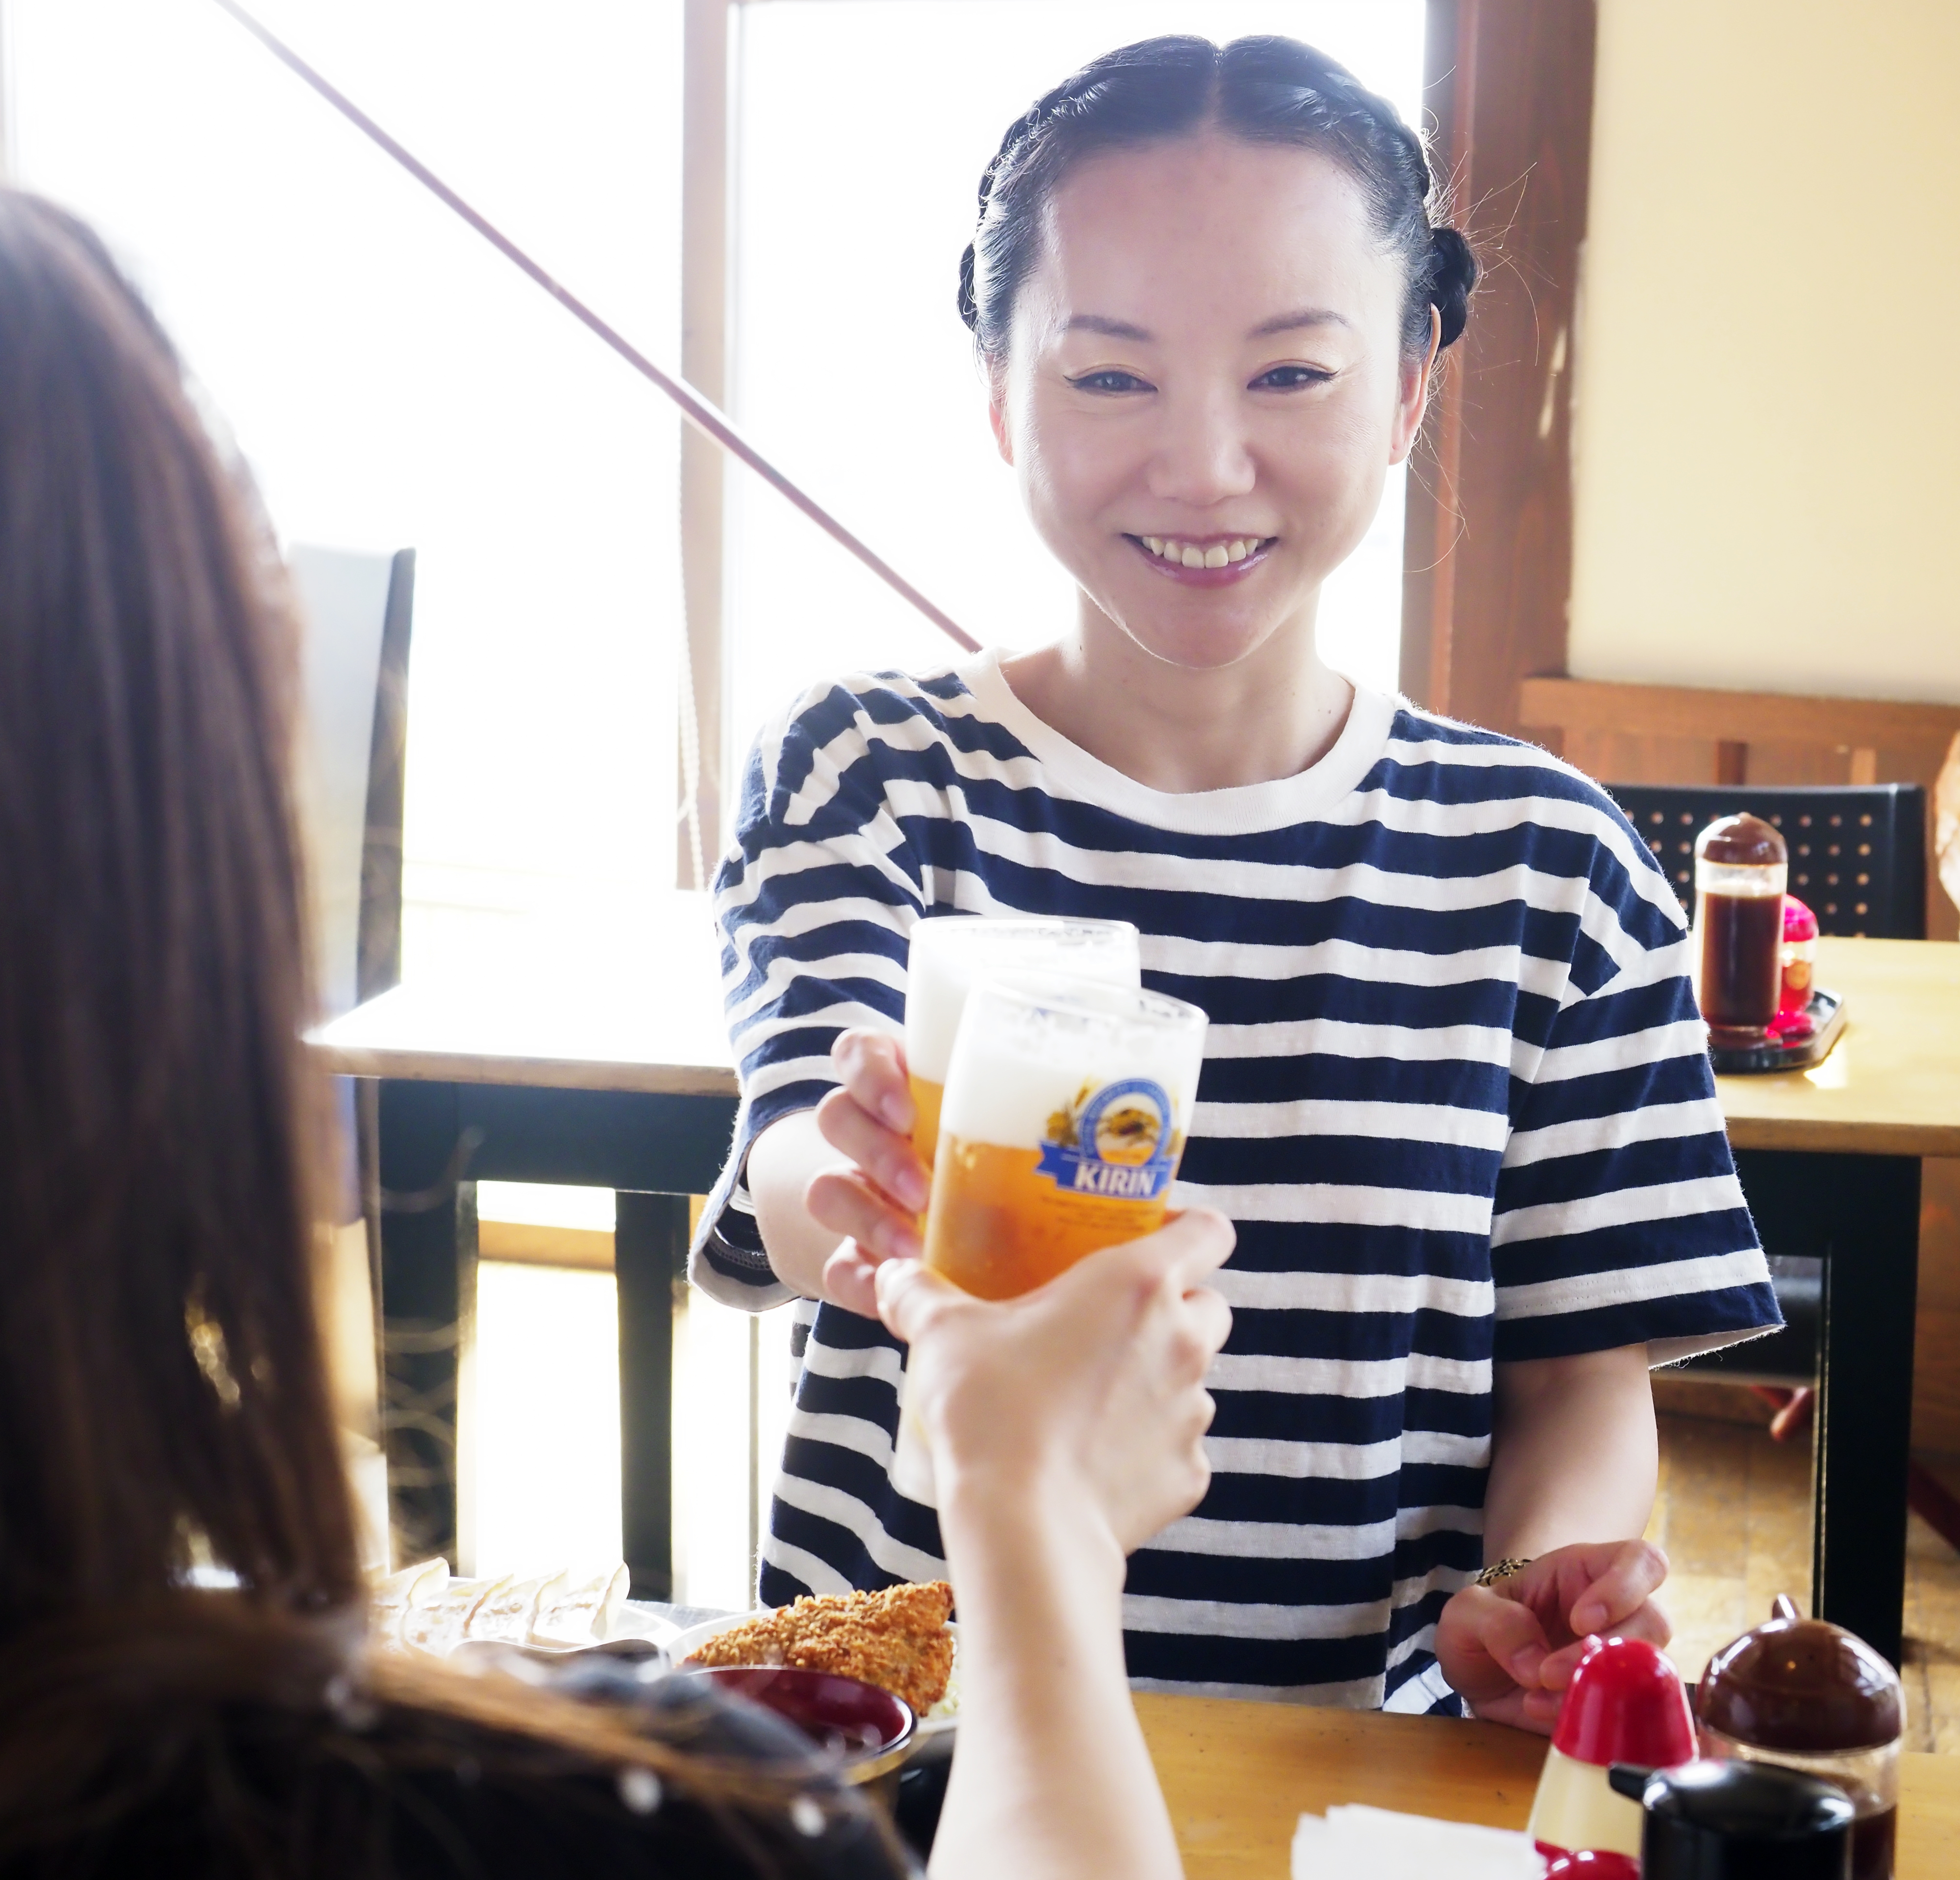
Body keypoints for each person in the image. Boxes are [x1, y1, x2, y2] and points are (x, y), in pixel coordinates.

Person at [0, 146, 1227, 1878]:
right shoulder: (571, 1832)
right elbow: (799, 1138)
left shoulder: (1522, 838)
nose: (1205, 458)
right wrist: (1037, 1533)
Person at [692, 34, 1782, 1728]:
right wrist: (848, 1169)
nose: (1203, 467)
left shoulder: (1553, 866)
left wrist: (1535, 1595)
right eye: (1111, 377)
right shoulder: (868, 770)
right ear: (997, 393)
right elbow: (788, 1152)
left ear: (1412, 383)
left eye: (1291, 375)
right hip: (911, 1755)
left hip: (1358, 1775)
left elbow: (1581, 1368)